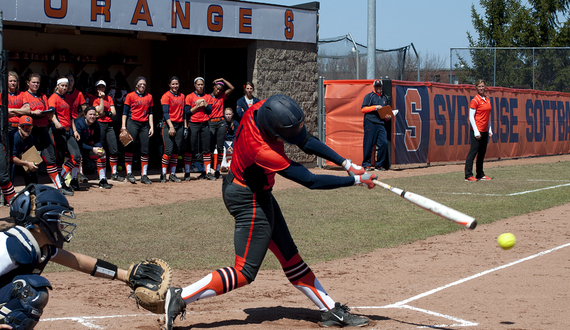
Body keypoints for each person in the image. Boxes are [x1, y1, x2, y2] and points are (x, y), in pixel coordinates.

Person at [164, 94, 375, 330]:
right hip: (248, 199)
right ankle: (180, 296)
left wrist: (346, 164)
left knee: (289, 256)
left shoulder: (261, 109)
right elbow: (310, 180)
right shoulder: (262, 150)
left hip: (256, 192)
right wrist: (354, 180)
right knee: (244, 271)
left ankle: (329, 312)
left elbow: (306, 141)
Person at [0, 184, 134, 328]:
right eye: (58, 217)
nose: (62, 224)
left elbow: (79, 262)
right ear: (44, 220)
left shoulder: (37, 246)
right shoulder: (11, 246)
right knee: (31, 291)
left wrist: (125, 276)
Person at [22, 73, 73, 196]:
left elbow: (50, 112)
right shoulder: (24, 95)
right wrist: (34, 112)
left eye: (37, 82)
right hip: (32, 130)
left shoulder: (43, 96)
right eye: (33, 82)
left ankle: (59, 186)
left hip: (44, 129)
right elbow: (25, 109)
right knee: (32, 160)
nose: (35, 84)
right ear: (28, 83)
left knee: (50, 159)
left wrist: (51, 118)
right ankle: (31, 188)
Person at [49, 77, 83, 192]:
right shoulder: (53, 97)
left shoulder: (68, 98)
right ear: (57, 85)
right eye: (62, 85)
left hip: (68, 130)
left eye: (66, 85)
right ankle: (60, 185)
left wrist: (75, 131)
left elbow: (71, 117)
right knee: (59, 158)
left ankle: (62, 177)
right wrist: (56, 122)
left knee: (76, 155)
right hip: (58, 130)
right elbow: (51, 113)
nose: (64, 88)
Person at [122, 76, 154, 185]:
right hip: (133, 122)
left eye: (144, 84)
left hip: (144, 124)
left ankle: (144, 175)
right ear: (136, 85)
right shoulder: (130, 96)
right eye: (140, 84)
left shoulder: (149, 96)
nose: (142, 86)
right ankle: (129, 173)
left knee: (145, 149)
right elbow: (125, 112)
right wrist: (123, 127)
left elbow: (150, 113)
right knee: (130, 147)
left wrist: (152, 126)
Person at [93, 80, 124, 182]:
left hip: (109, 125)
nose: (100, 89)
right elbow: (99, 111)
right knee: (100, 150)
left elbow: (113, 112)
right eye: (99, 87)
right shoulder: (94, 99)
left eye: (102, 87)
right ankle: (100, 174)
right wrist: (102, 100)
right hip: (99, 124)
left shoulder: (109, 98)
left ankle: (114, 173)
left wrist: (104, 113)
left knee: (114, 149)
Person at [75, 107, 112, 189]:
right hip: (78, 147)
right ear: (85, 115)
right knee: (77, 155)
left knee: (102, 153)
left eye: (94, 114)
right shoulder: (78, 123)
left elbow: (97, 140)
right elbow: (78, 142)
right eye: (90, 114)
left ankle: (102, 180)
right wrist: (92, 149)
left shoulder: (96, 124)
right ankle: (75, 180)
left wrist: (99, 148)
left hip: (88, 148)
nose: (92, 116)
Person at [184, 77, 212, 181]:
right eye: (198, 84)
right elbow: (187, 112)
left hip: (204, 123)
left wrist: (205, 104)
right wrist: (197, 106)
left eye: (202, 84)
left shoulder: (207, 96)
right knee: (190, 147)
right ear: (195, 85)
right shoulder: (190, 96)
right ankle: (187, 172)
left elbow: (209, 111)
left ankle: (208, 172)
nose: (200, 86)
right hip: (193, 123)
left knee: (206, 148)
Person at [465, 79, 493, 182]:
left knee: (482, 152)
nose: (481, 88)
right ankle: (468, 175)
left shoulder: (487, 99)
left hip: (485, 130)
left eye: (483, 86)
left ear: (485, 87)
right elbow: (471, 117)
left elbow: (488, 116)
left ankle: (480, 174)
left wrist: (489, 129)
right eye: (479, 86)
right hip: (477, 130)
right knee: (473, 152)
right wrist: (476, 131)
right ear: (476, 88)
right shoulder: (475, 100)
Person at [206, 78, 234, 179]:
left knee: (220, 146)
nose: (218, 91)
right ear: (214, 87)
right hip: (211, 122)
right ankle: (208, 171)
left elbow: (232, 88)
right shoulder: (207, 97)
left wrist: (223, 79)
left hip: (221, 122)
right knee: (209, 146)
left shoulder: (222, 96)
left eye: (221, 90)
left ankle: (217, 170)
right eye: (217, 88)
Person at [63, 73, 89, 184]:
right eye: (67, 81)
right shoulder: (61, 94)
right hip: (64, 125)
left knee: (77, 152)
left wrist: (77, 116)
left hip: (76, 123)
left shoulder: (78, 93)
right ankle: (64, 175)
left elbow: (85, 109)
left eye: (72, 80)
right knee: (65, 153)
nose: (69, 83)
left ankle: (78, 174)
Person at [361, 79, 392, 171]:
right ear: (374, 87)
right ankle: (366, 164)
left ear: (382, 87)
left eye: (379, 86)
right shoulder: (369, 96)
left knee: (383, 143)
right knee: (368, 144)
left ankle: (379, 165)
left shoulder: (384, 98)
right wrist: (375, 107)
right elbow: (363, 109)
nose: (378, 88)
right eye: (376, 86)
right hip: (370, 122)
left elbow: (385, 113)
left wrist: (387, 117)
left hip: (380, 123)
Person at [159, 77, 185, 183]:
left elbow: (184, 113)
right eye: (173, 84)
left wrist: (185, 127)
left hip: (180, 124)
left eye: (177, 84)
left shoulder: (182, 96)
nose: (175, 86)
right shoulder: (166, 96)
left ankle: (172, 174)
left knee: (176, 150)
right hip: (169, 124)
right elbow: (165, 113)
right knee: (168, 150)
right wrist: (171, 126)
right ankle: (163, 174)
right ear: (169, 85)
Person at [11, 115, 39, 187]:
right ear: (19, 127)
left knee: (33, 168)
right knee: (12, 167)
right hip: (8, 161)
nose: (27, 129)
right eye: (25, 126)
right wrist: (27, 164)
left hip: (19, 158)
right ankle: (7, 195)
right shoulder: (14, 136)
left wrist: (33, 164)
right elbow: (12, 158)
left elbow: (29, 154)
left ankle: (32, 191)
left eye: (30, 127)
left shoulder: (30, 137)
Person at [7, 71, 30, 135]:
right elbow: (4, 112)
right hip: (8, 126)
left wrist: (12, 110)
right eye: (10, 81)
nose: (13, 83)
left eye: (14, 81)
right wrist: (21, 110)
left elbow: (28, 110)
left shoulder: (22, 94)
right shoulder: (3, 95)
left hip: (22, 125)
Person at [221, 107, 239, 171]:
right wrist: (226, 146)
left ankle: (232, 165)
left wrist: (232, 146)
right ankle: (223, 165)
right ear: (224, 114)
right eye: (227, 114)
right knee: (222, 148)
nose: (228, 116)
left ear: (232, 114)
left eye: (229, 114)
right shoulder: (222, 123)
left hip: (232, 141)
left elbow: (236, 135)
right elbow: (221, 137)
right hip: (224, 142)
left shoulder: (235, 123)